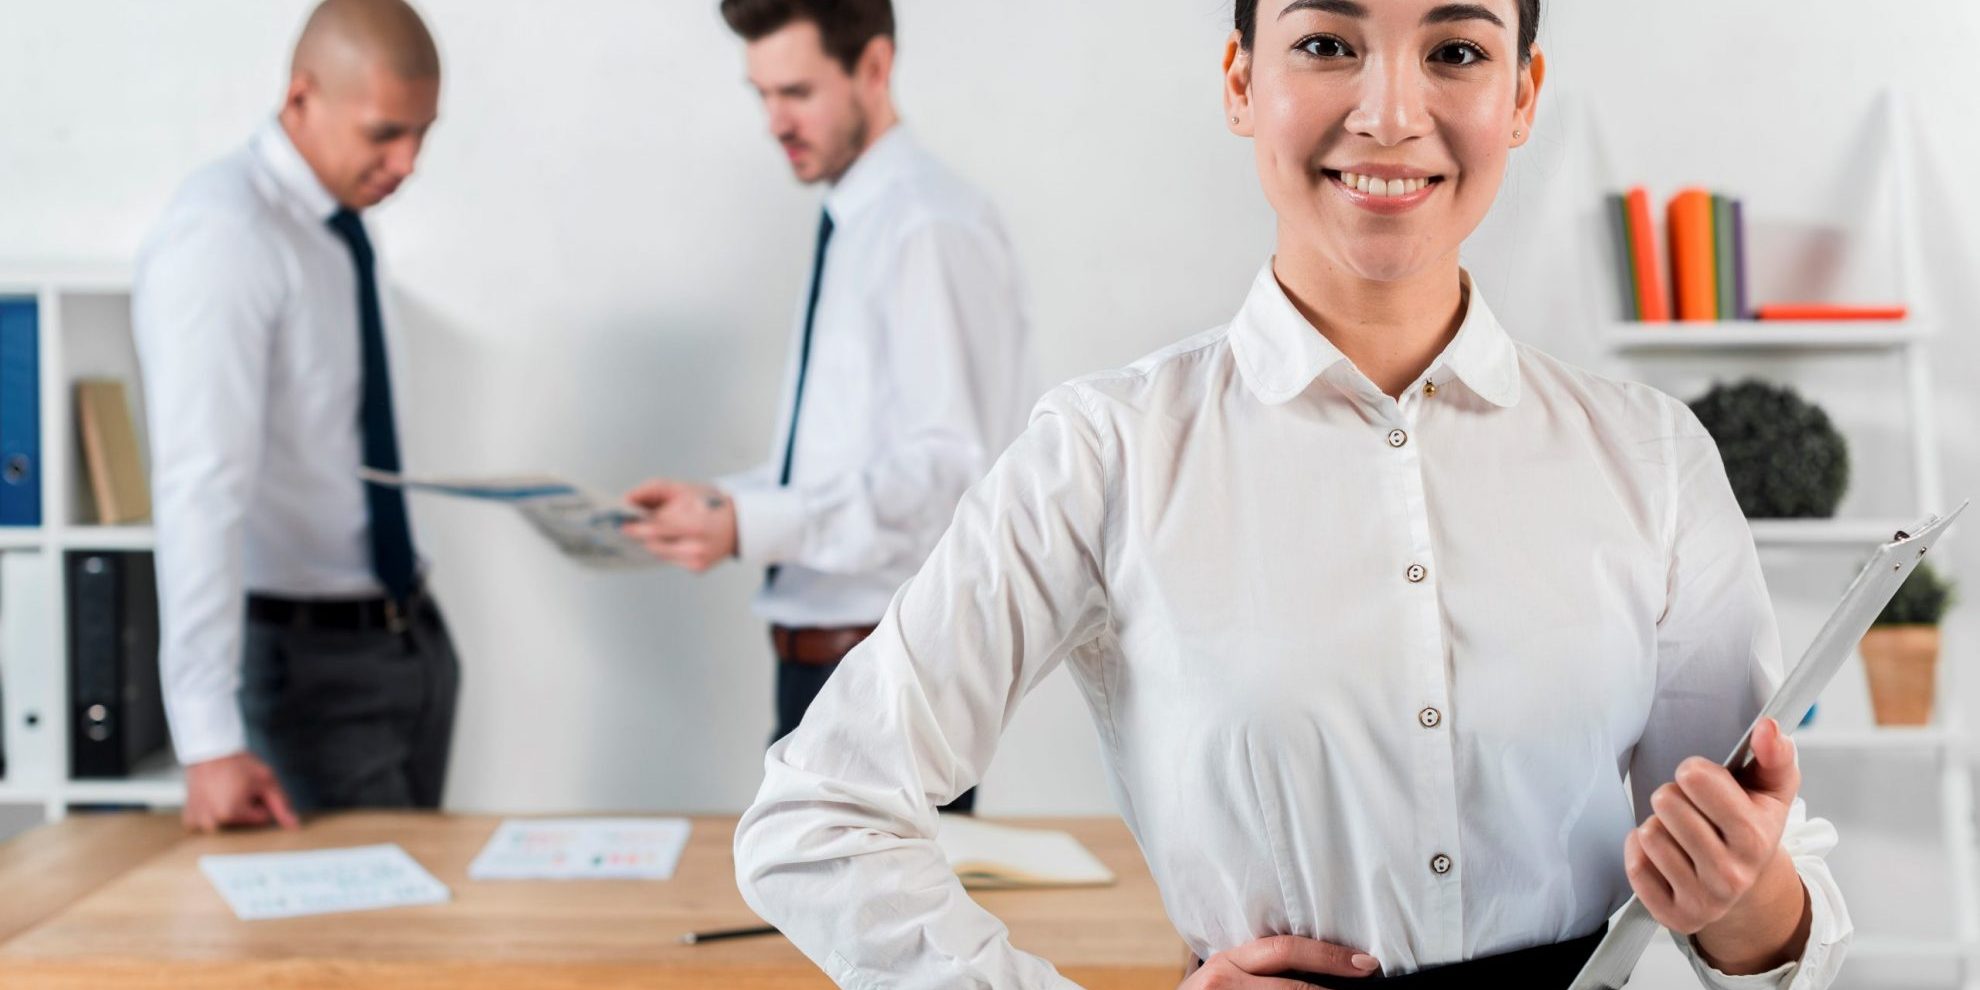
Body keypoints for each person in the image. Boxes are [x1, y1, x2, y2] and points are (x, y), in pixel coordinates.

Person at [732, 1, 1851, 986]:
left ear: (1522, 95)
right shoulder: (1107, 452)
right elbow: (816, 819)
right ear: (1239, 81)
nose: (1390, 113)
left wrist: (1755, 904)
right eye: (1326, 42)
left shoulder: (1649, 458)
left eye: (1456, 50)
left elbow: (1768, 880)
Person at [621, 0, 1033, 815]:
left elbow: (949, 478)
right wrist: (726, 505)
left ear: (873, 69)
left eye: (798, 92)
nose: (776, 121)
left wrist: (748, 524)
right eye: (762, 94)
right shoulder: (859, 218)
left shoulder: (925, 226)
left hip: (887, 683)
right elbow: (853, 455)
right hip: (835, 676)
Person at [134, 0, 459, 833]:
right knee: (354, 952)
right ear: (301, 97)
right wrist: (207, 739)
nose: (409, 162)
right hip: (308, 665)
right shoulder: (227, 234)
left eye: (423, 133)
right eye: (386, 132)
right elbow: (200, 486)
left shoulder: (337, 226)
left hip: (404, 639)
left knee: (419, 933)